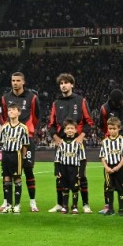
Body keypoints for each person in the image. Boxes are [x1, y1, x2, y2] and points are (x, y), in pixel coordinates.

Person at [47, 73, 94, 213]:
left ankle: (85, 204)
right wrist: (56, 138)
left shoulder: (80, 101)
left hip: (77, 145)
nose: (63, 85)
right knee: (60, 176)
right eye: (61, 83)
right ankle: (60, 204)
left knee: (81, 175)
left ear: (72, 85)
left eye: (66, 83)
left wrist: (81, 137)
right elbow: (51, 125)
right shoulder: (56, 103)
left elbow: (89, 122)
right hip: (61, 144)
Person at [0, 72, 41, 212]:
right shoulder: (5, 98)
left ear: (23, 82)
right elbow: (5, 115)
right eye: (13, 80)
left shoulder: (32, 97)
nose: (15, 83)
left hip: (25, 138)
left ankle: (32, 202)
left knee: (28, 170)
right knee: (7, 173)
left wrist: (28, 130)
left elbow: (36, 117)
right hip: (11, 140)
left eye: (18, 80)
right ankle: (6, 202)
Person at [0, 103, 30, 214]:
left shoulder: (23, 128)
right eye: (9, 110)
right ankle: (8, 205)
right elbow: (2, 142)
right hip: (6, 154)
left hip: (16, 155)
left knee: (17, 178)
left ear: (19, 112)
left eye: (13, 109)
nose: (11, 111)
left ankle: (17, 205)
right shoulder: (5, 127)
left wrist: (23, 157)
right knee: (6, 178)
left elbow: (25, 144)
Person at [55, 119, 88, 215]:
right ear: (64, 130)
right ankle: (65, 206)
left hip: (74, 169)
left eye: (72, 128)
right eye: (68, 128)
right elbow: (57, 158)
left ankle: (74, 206)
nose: (70, 130)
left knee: (75, 188)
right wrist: (57, 171)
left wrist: (81, 173)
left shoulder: (78, 143)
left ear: (76, 130)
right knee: (64, 188)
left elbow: (82, 159)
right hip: (63, 168)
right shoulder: (61, 143)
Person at [99, 117, 123, 217]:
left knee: (120, 189)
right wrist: (106, 167)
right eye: (110, 128)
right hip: (108, 168)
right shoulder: (104, 142)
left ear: (119, 128)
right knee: (109, 188)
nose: (112, 130)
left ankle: (121, 209)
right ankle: (110, 209)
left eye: (114, 128)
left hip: (119, 168)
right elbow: (102, 156)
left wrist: (119, 166)